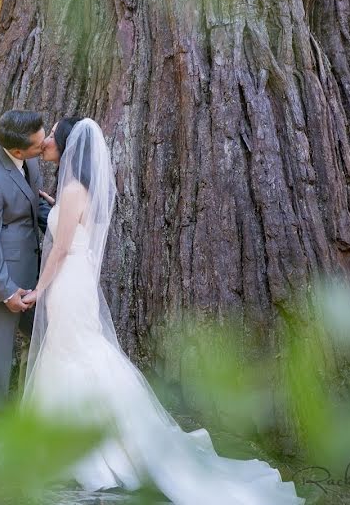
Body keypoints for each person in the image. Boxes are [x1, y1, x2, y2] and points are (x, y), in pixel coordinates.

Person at [18, 116, 305, 504]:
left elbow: (62, 246)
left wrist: (39, 288)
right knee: (76, 350)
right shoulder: (77, 189)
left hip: (68, 281)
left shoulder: (72, 190)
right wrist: (55, 210)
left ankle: (85, 448)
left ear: (69, 144)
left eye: (53, 134)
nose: (48, 139)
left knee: (71, 352)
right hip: (78, 280)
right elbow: (74, 229)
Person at [0, 110, 52, 416]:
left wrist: (62, 219)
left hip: (32, 275)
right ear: (17, 151)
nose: (45, 147)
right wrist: (6, 291)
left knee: (48, 341)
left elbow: (33, 205)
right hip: (0, 286)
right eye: (38, 146)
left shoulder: (27, 158)